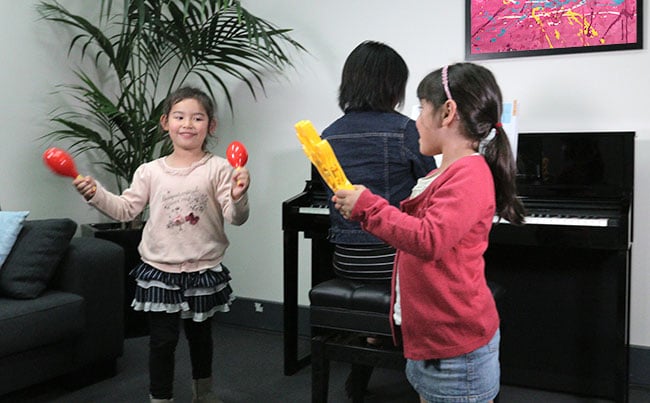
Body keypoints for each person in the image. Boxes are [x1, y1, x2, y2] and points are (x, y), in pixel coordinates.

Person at [332, 62, 525, 403]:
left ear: (448, 112)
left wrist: (370, 208)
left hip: (456, 352)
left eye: (421, 107)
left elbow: (428, 239)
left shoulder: (469, 173)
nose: (416, 119)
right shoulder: (445, 172)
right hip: (432, 344)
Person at [73, 86, 250, 403]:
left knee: (201, 337)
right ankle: (161, 397)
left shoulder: (220, 168)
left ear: (211, 126)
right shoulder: (149, 171)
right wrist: (95, 193)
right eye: (179, 117)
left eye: (197, 118)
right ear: (165, 122)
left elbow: (236, 218)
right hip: (159, 270)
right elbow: (126, 209)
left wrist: (239, 196)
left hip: (203, 269)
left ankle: (204, 392)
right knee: (162, 341)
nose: (187, 124)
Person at [320, 40, 437, 398]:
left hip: (345, 258)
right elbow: (432, 189)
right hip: (390, 260)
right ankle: (430, 367)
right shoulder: (406, 131)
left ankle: (367, 350)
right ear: (393, 86)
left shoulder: (328, 134)